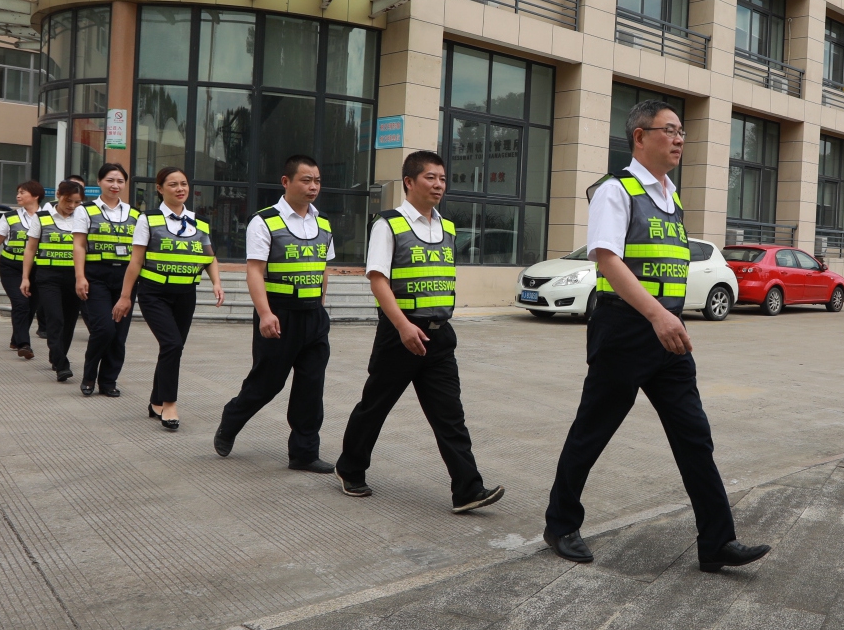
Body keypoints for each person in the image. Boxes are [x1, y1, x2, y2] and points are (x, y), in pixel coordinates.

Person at [542, 99, 770, 572]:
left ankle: (717, 542)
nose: (679, 138)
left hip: (668, 331)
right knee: (593, 431)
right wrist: (656, 316)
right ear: (640, 136)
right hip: (626, 329)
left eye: (682, 131)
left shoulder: (672, 196)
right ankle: (560, 524)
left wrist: (669, 319)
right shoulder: (616, 190)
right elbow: (608, 260)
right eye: (669, 130)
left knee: (694, 435)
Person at [332, 151, 505, 512]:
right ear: (409, 182)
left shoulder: (448, 228)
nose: (439, 184)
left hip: (439, 337)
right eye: (430, 177)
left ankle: (467, 490)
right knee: (375, 407)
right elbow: (378, 280)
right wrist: (403, 325)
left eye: (442, 178)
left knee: (450, 416)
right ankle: (350, 468)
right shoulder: (388, 224)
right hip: (400, 334)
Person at [213, 155, 337, 473]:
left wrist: (321, 304)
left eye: (317, 181)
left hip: (313, 316)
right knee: (267, 383)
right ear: (286, 182)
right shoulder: (265, 221)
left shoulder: (323, 222)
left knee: (311, 386)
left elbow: (323, 267)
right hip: (279, 315)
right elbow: (254, 271)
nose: (313, 186)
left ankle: (304, 453)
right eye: (306, 180)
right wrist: (265, 314)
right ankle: (231, 419)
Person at [113, 166, 224, 430]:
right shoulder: (148, 219)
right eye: (173, 184)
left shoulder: (199, 222)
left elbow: (209, 257)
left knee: (172, 348)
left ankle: (155, 401)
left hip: (186, 294)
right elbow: (136, 261)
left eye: (183, 183)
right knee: (172, 344)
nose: (180, 189)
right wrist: (125, 297)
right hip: (154, 293)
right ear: (160, 189)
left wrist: (217, 282)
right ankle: (169, 403)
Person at [78, 162, 137, 397]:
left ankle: (108, 381)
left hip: (126, 277)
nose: (115, 185)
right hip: (96, 276)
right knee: (103, 329)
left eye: (120, 181)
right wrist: (80, 276)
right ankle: (89, 375)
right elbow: (79, 245)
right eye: (110, 180)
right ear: (99, 182)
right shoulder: (85, 210)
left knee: (119, 334)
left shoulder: (135, 214)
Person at [21, 179, 87, 384]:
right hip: (48, 277)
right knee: (55, 318)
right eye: (68, 200)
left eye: (77, 202)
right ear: (58, 195)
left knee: (69, 321)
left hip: (74, 277)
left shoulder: (83, 218)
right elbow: (30, 248)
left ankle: (58, 355)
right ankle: (62, 364)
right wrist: (25, 277)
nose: (72, 206)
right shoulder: (42, 218)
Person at [0, 180, 45, 359]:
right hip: (11, 267)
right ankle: (24, 344)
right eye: (18, 192)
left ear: (36, 196)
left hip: (37, 268)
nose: (18, 196)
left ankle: (16, 339)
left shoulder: (47, 216)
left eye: (22, 192)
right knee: (21, 303)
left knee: (31, 306)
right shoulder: (10, 217)